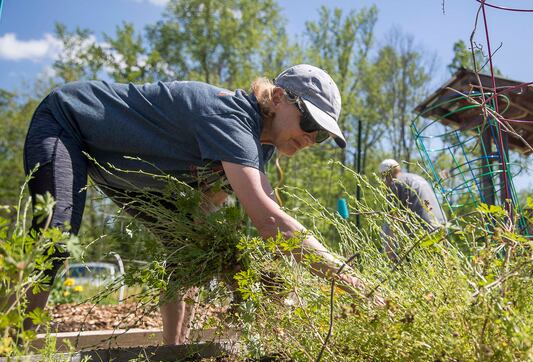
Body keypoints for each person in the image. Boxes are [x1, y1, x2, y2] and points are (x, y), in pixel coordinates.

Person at [22, 64, 370, 344]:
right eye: (309, 122)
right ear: (277, 98)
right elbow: (269, 220)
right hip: (68, 120)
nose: (312, 138)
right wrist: (358, 287)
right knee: (56, 230)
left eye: (322, 134)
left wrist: (240, 273)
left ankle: (173, 349)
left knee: (192, 248)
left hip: (125, 171)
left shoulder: (258, 148)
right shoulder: (231, 117)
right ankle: (16, 345)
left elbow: (205, 213)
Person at [379, 159, 446, 258]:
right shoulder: (418, 178)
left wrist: (389, 254)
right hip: (442, 227)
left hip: (422, 233)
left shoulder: (395, 184)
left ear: (385, 175)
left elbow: (392, 220)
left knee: (386, 225)